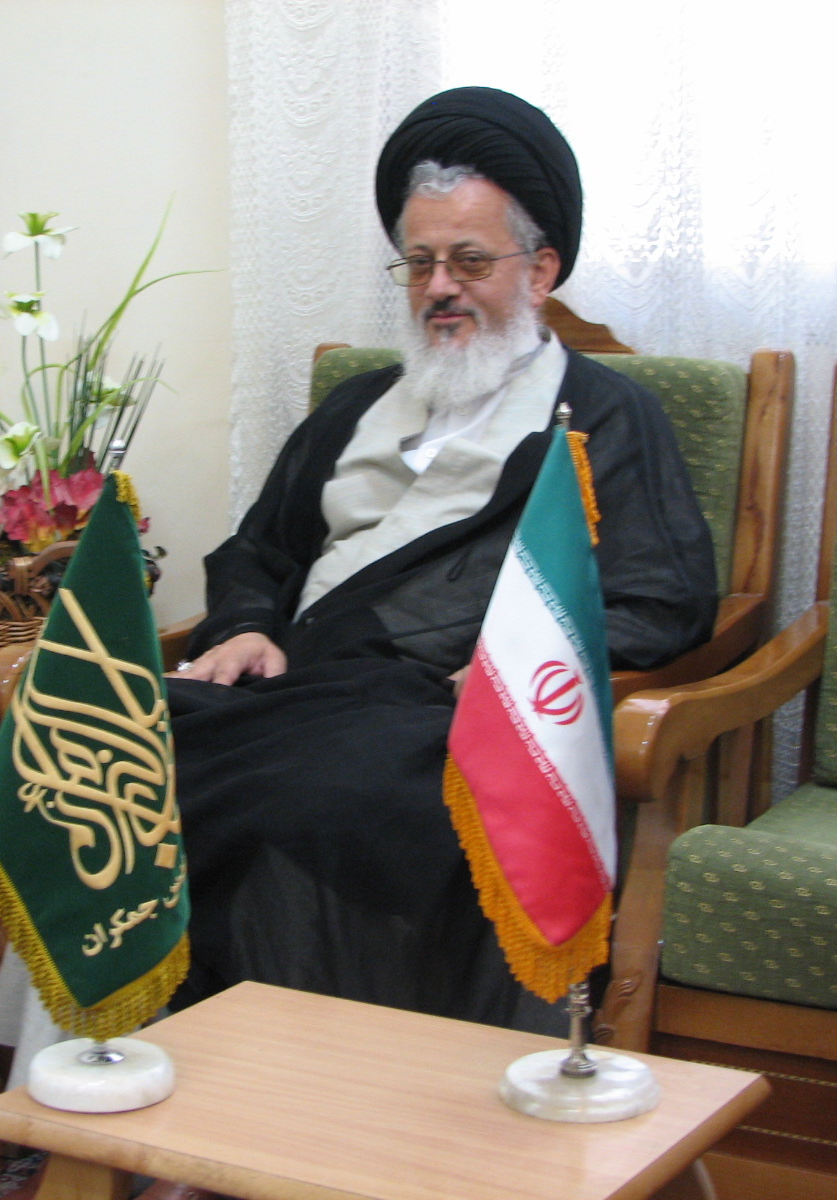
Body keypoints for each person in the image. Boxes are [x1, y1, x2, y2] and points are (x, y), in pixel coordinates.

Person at [165, 87, 717, 1031]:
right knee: (104, 748)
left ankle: (302, 1088)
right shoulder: (355, 405)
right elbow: (260, 549)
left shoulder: (605, 415)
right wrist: (249, 625)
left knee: (325, 800)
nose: (439, 288)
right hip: (293, 686)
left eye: (469, 260)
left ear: (540, 270)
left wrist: (517, 665)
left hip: (440, 707)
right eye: (419, 263)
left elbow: (664, 599)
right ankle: (134, 1058)